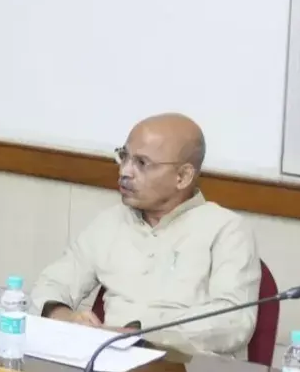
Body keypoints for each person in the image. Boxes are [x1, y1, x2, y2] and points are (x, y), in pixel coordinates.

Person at [30, 113, 260, 357]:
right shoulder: (111, 222)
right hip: (108, 363)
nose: (125, 171)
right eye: (124, 156)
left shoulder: (227, 229)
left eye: (141, 163)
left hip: (187, 371)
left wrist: (139, 333)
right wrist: (65, 317)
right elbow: (51, 284)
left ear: (183, 177)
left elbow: (234, 322)